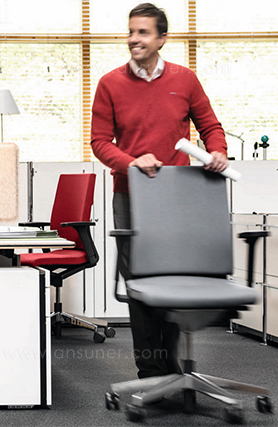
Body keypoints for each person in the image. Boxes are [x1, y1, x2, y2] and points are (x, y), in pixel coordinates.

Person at [91, 3, 229, 379]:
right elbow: (100, 142)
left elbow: (210, 126)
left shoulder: (185, 79)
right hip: (131, 194)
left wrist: (218, 151)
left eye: (143, 32)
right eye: (131, 31)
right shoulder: (109, 84)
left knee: (172, 280)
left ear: (162, 39)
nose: (134, 39)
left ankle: (171, 367)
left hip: (176, 196)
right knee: (140, 283)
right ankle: (151, 371)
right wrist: (131, 162)